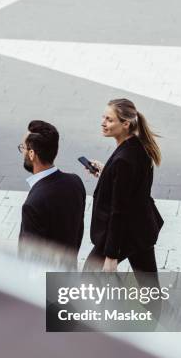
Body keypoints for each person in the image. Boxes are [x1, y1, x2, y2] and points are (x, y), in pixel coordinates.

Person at [84, 98, 163, 275]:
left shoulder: (123, 160)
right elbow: (131, 187)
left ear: (125, 124)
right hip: (141, 228)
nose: (103, 123)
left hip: (124, 233)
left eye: (109, 120)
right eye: (103, 117)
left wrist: (111, 256)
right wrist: (106, 173)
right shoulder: (138, 146)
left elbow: (118, 210)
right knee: (150, 289)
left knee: (88, 275)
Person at [18, 120, 85, 264]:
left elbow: (29, 259)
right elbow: (78, 232)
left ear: (31, 154)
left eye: (23, 147)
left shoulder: (32, 204)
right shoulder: (75, 183)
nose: (22, 151)